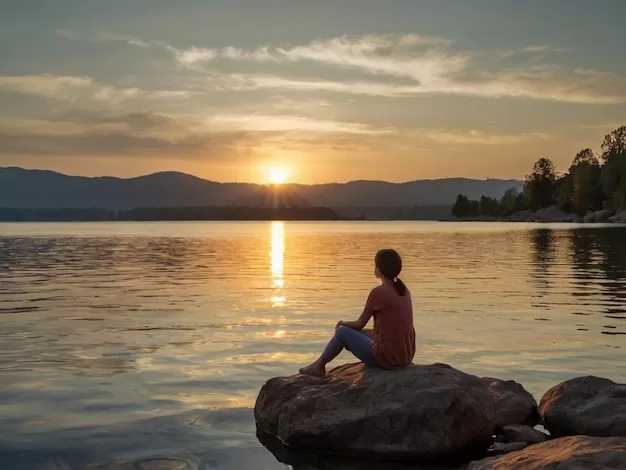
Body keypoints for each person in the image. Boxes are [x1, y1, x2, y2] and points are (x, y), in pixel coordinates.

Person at [299, 248, 415, 377]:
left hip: (387, 359)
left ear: (378, 269)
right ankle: (320, 363)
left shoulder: (378, 293)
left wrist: (343, 323)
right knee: (361, 333)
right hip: (405, 356)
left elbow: (359, 323)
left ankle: (319, 366)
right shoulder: (404, 290)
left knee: (342, 331)